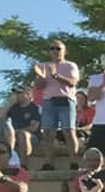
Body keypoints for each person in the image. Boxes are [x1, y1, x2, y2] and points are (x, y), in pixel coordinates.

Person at [34, 40, 80, 170]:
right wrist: (40, 77)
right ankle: (48, 162)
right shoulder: (43, 66)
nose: (55, 51)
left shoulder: (70, 65)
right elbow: (39, 86)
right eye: (52, 48)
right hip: (49, 101)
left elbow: (72, 82)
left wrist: (55, 75)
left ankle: (74, 162)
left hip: (66, 100)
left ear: (64, 51)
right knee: (48, 132)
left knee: (69, 131)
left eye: (58, 48)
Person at [5, 88, 40, 161]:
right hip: (13, 135)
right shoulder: (13, 108)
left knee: (22, 134)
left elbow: (33, 128)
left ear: (28, 94)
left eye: (19, 93)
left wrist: (15, 132)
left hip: (32, 137)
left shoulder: (34, 107)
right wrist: (9, 103)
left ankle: (23, 164)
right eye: (15, 93)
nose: (16, 95)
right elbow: (0, 116)